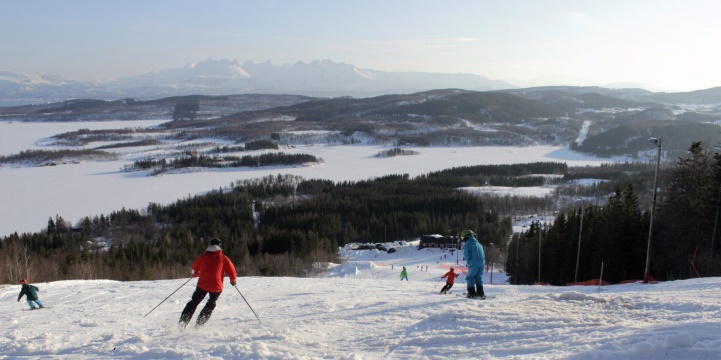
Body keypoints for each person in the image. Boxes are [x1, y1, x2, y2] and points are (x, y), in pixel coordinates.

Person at [179, 238, 237, 328]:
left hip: (202, 285)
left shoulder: (202, 257)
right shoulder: (224, 258)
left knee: (193, 302)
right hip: (216, 287)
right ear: (220, 246)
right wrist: (233, 281)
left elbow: (194, 270)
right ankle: (198, 325)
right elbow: (232, 272)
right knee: (211, 303)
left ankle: (182, 323)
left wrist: (195, 275)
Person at [462, 230, 486, 299]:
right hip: (482, 263)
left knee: (470, 277)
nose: (463, 239)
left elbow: (467, 255)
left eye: (463, 237)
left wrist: (469, 262)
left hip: (473, 263)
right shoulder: (479, 244)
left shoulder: (468, 245)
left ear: (466, 236)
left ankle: (472, 293)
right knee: (479, 277)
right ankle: (480, 293)